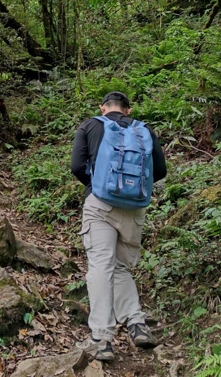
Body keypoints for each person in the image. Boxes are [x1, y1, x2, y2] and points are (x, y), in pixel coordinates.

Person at [70, 91, 167, 362]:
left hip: (100, 206)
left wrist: (96, 185)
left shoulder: (91, 125)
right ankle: (137, 324)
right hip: (135, 208)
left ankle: (103, 338)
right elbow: (159, 171)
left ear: (103, 108)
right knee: (121, 267)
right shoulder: (143, 129)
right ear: (128, 109)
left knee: (101, 266)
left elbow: (76, 165)